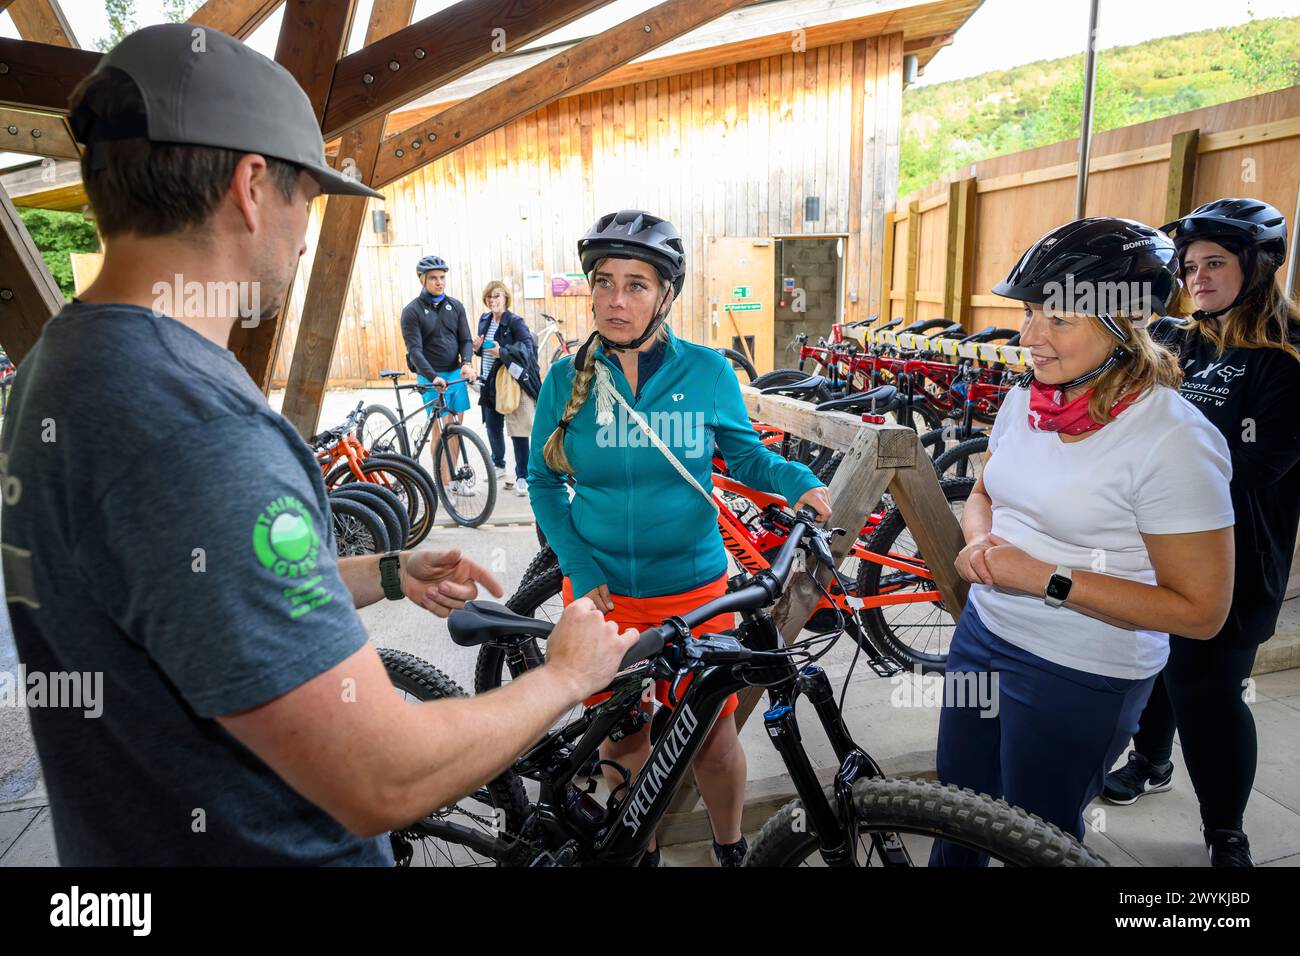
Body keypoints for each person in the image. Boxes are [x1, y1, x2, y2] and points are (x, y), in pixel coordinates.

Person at [0, 23, 636, 866]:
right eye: (309, 196)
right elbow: (383, 778)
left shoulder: (63, 366)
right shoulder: (198, 424)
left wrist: (382, 573)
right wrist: (564, 676)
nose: (305, 231)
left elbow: (187, 588)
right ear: (252, 184)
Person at [529, 209, 833, 866]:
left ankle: (730, 852)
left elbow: (748, 459)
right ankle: (642, 855)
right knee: (624, 739)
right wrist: (580, 565)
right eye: (604, 281)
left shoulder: (707, 373)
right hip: (603, 599)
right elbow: (544, 483)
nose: (615, 300)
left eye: (636, 284)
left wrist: (798, 480)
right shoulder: (565, 380)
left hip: (697, 595)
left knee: (711, 740)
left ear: (666, 295)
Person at [929, 217, 1236, 866]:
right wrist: (981, 547)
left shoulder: (1172, 440)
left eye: (1059, 318)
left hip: (1080, 670)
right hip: (983, 634)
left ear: (1124, 328)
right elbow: (985, 491)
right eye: (1032, 311)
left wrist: (1043, 576)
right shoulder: (1029, 398)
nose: (1030, 336)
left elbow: (1201, 612)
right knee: (955, 816)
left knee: (1035, 841)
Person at [1103, 198, 1300, 866]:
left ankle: (1226, 832)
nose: (1199, 277)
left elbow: (1262, 462)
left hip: (1242, 553)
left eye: (1215, 262)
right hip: (1160, 541)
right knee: (1162, 657)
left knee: (1209, 690)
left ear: (1258, 265)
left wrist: (1158, 474)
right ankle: (1152, 760)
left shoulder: (1286, 355)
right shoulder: (1183, 339)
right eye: (1189, 266)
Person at [400, 254, 474, 494]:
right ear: (422, 280)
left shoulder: (456, 306)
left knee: (455, 428)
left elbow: (465, 339)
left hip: (455, 374)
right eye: (433, 278)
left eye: (442, 277)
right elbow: (415, 352)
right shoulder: (412, 311)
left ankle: (453, 480)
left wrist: (468, 363)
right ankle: (444, 481)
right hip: (430, 377)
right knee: (440, 430)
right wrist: (432, 377)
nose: (439, 282)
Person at [474, 281, 540, 496]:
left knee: (518, 430)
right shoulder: (484, 320)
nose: (493, 300)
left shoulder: (515, 321)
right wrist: (476, 349)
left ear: (505, 298)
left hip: (510, 383)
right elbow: (484, 351)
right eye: (489, 297)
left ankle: (522, 476)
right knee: (492, 426)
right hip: (488, 382)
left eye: (497, 296)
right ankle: (499, 465)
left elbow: (528, 350)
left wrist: (502, 352)